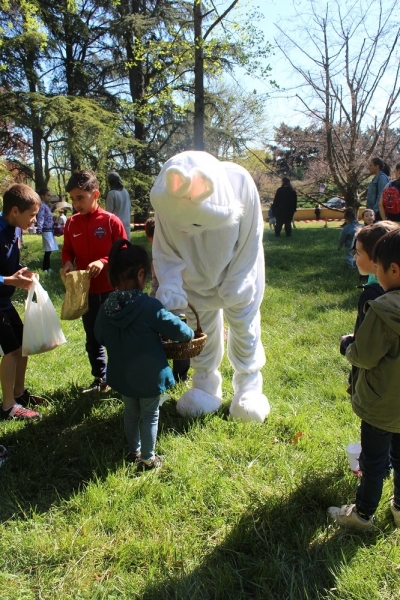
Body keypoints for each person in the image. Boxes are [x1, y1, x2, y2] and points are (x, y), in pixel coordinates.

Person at [94, 240, 194, 470]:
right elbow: (179, 331)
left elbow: (99, 336)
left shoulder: (106, 307)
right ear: (141, 274)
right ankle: (148, 459)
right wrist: (189, 332)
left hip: (122, 375)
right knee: (150, 415)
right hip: (149, 377)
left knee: (131, 413)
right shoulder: (150, 306)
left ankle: (134, 451)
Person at [328, 228, 400, 530]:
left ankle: (363, 513)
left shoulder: (382, 310)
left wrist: (348, 345)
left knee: (373, 462)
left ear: (393, 270)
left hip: (380, 406)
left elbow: (364, 356)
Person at [62, 169, 126, 393]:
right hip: (85, 291)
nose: (76, 203)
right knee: (92, 337)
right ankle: (101, 378)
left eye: (81, 197)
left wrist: (104, 261)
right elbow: (67, 250)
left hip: (111, 290)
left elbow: (123, 252)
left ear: (96, 194)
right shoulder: (71, 224)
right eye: (73, 199)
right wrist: (68, 263)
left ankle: (121, 377)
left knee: (116, 335)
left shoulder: (110, 221)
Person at [0, 183, 45, 420]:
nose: (34, 221)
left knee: (23, 345)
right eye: (32, 215)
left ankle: (18, 394)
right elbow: (6, 277)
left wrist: (23, 273)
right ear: (15, 211)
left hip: (5, 303)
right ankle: (8, 407)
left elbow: (10, 265)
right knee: (12, 350)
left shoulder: (15, 230)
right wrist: (10, 281)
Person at [339, 221, 400, 391]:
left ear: (376, 259)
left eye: (358, 252)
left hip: (375, 390)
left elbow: (364, 349)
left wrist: (346, 343)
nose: (354, 256)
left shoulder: (372, 297)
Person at [145, 217, 190, 383]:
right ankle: (174, 376)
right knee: (178, 343)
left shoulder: (164, 258)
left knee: (180, 344)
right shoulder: (168, 256)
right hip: (172, 307)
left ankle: (180, 377)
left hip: (176, 308)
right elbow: (156, 284)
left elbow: (156, 286)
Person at [36, 188, 59, 272]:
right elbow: (41, 217)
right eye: (48, 195)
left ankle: (48, 267)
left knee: (49, 250)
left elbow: (46, 217)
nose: (49, 197)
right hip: (46, 230)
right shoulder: (42, 205)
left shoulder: (46, 205)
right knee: (48, 250)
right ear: (42, 196)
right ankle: (45, 268)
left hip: (50, 229)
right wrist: (39, 228)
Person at [106, 172, 131, 239]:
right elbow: (129, 208)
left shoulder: (111, 194)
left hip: (116, 226)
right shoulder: (125, 192)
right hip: (127, 225)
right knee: (126, 247)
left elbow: (108, 213)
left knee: (117, 247)